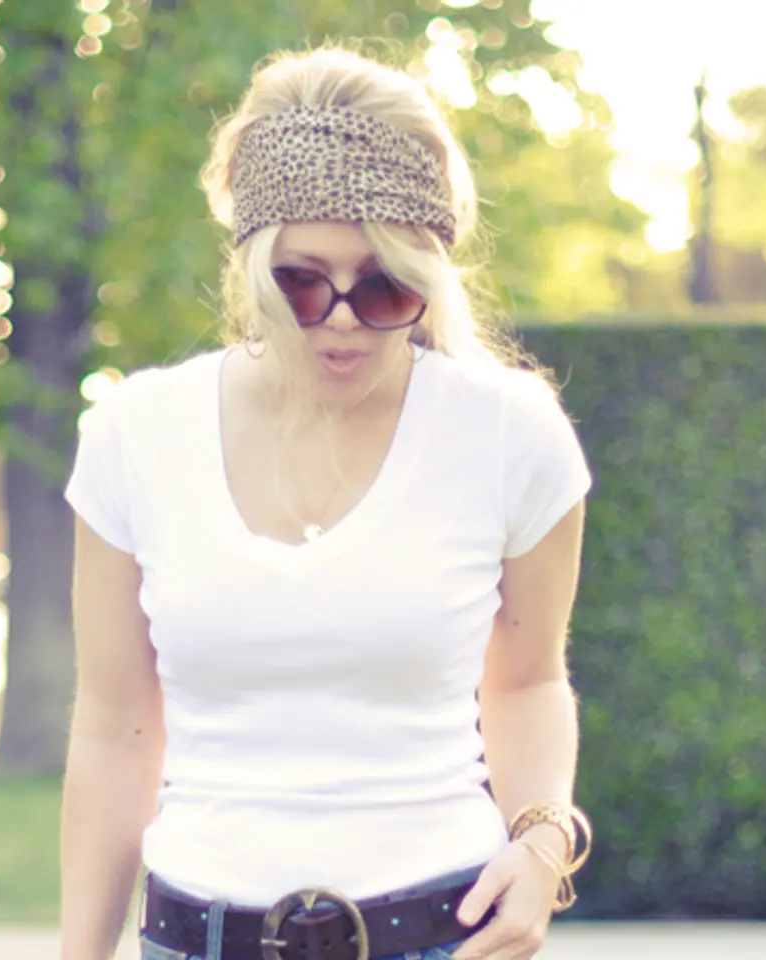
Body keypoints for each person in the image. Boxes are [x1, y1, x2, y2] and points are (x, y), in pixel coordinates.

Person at [61, 45, 593, 960]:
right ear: (251, 265)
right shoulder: (133, 433)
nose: (341, 318)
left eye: (383, 285)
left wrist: (543, 842)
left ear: (427, 279)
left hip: (443, 935)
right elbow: (115, 729)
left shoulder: (510, 430)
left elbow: (530, 679)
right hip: (196, 937)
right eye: (302, 281)